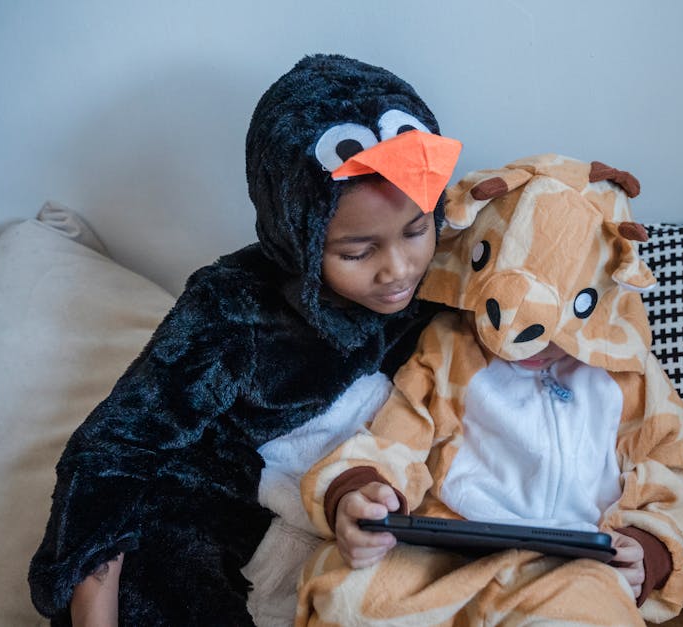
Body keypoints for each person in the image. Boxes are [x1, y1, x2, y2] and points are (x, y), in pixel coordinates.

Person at [28, 53, 461, 626]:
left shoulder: (447, 281)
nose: (399, 270)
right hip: (215, 515)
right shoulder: (232, 307)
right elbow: (115, 450)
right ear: (297, 233)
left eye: (417, 230)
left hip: (360, 512)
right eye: (357, 252)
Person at [297, 155, 683, 626]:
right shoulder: (450, 347)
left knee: (591, 615)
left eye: (554, 331)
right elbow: (398, 430)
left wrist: (649, 549)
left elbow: (671, 472)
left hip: (574, 565)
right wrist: (361, 492)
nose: (518, 345)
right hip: (445, 549)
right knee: (347, 595)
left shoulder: (632, 376)